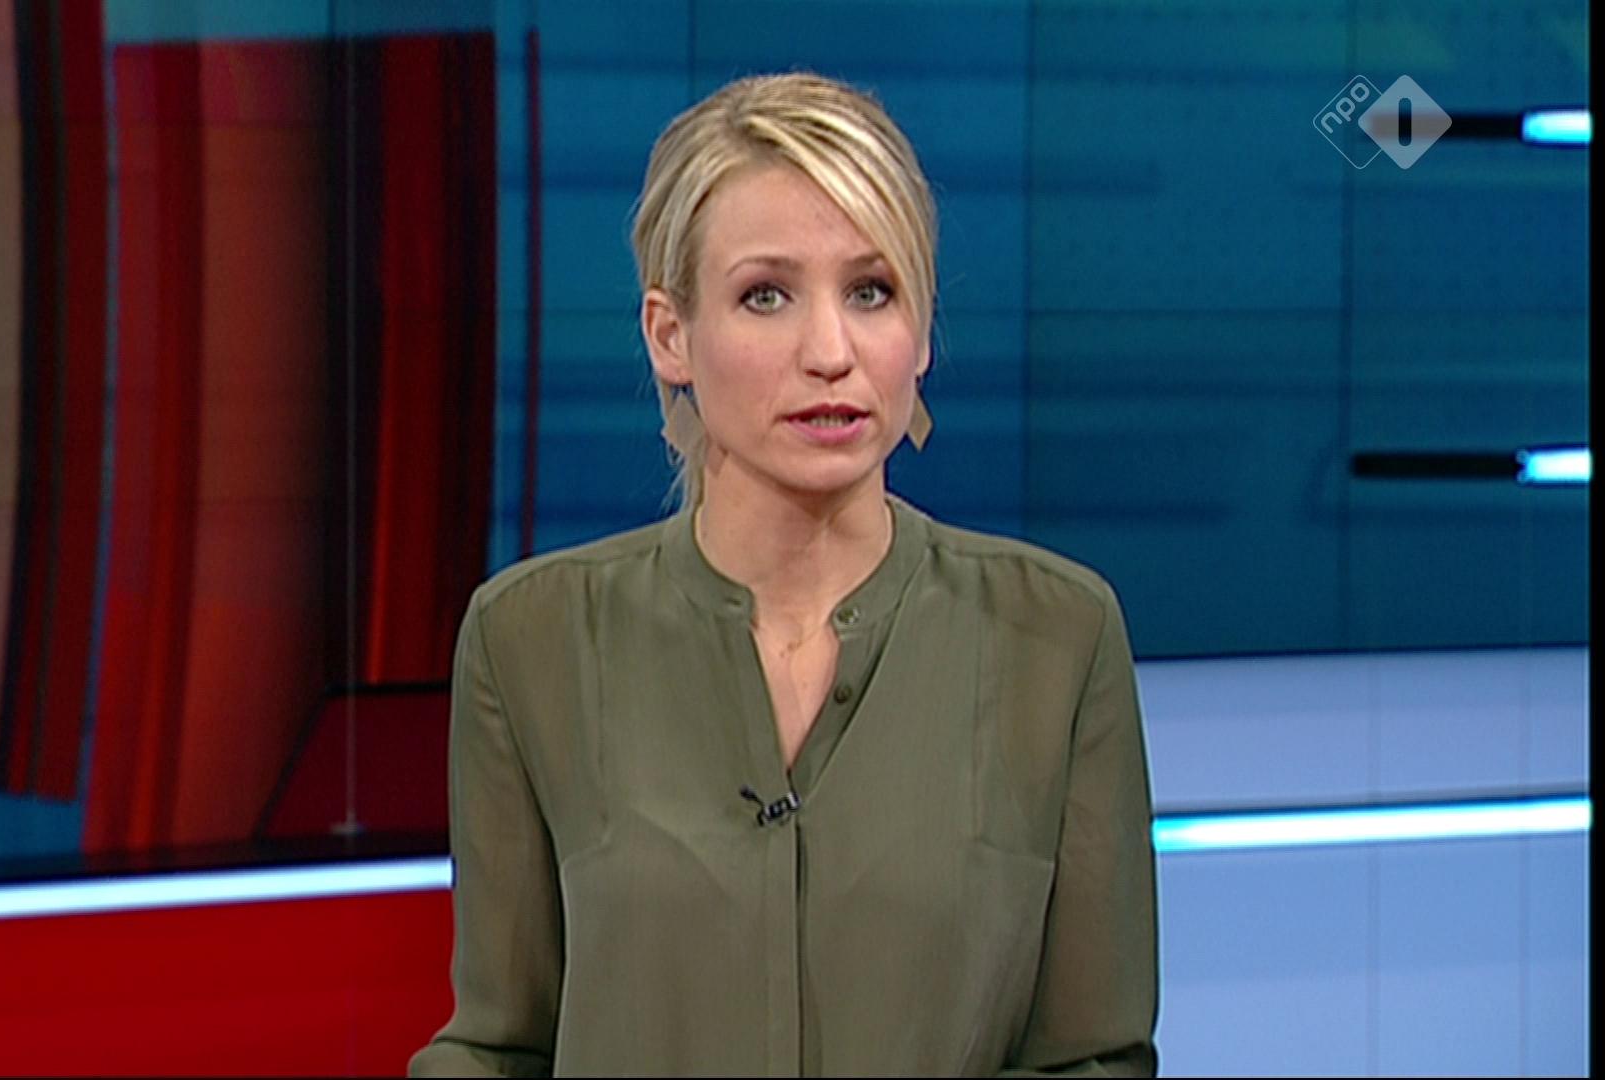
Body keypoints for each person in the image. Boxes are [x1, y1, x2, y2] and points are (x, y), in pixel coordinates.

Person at [409, 71, 1158, 1077]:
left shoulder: (1057, 638)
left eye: (871, 291)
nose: (830, 351)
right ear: (670, 336)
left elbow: (1094, 1059)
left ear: (921, 334)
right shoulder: (531, 638)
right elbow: (500, 1044)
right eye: (766, 295)